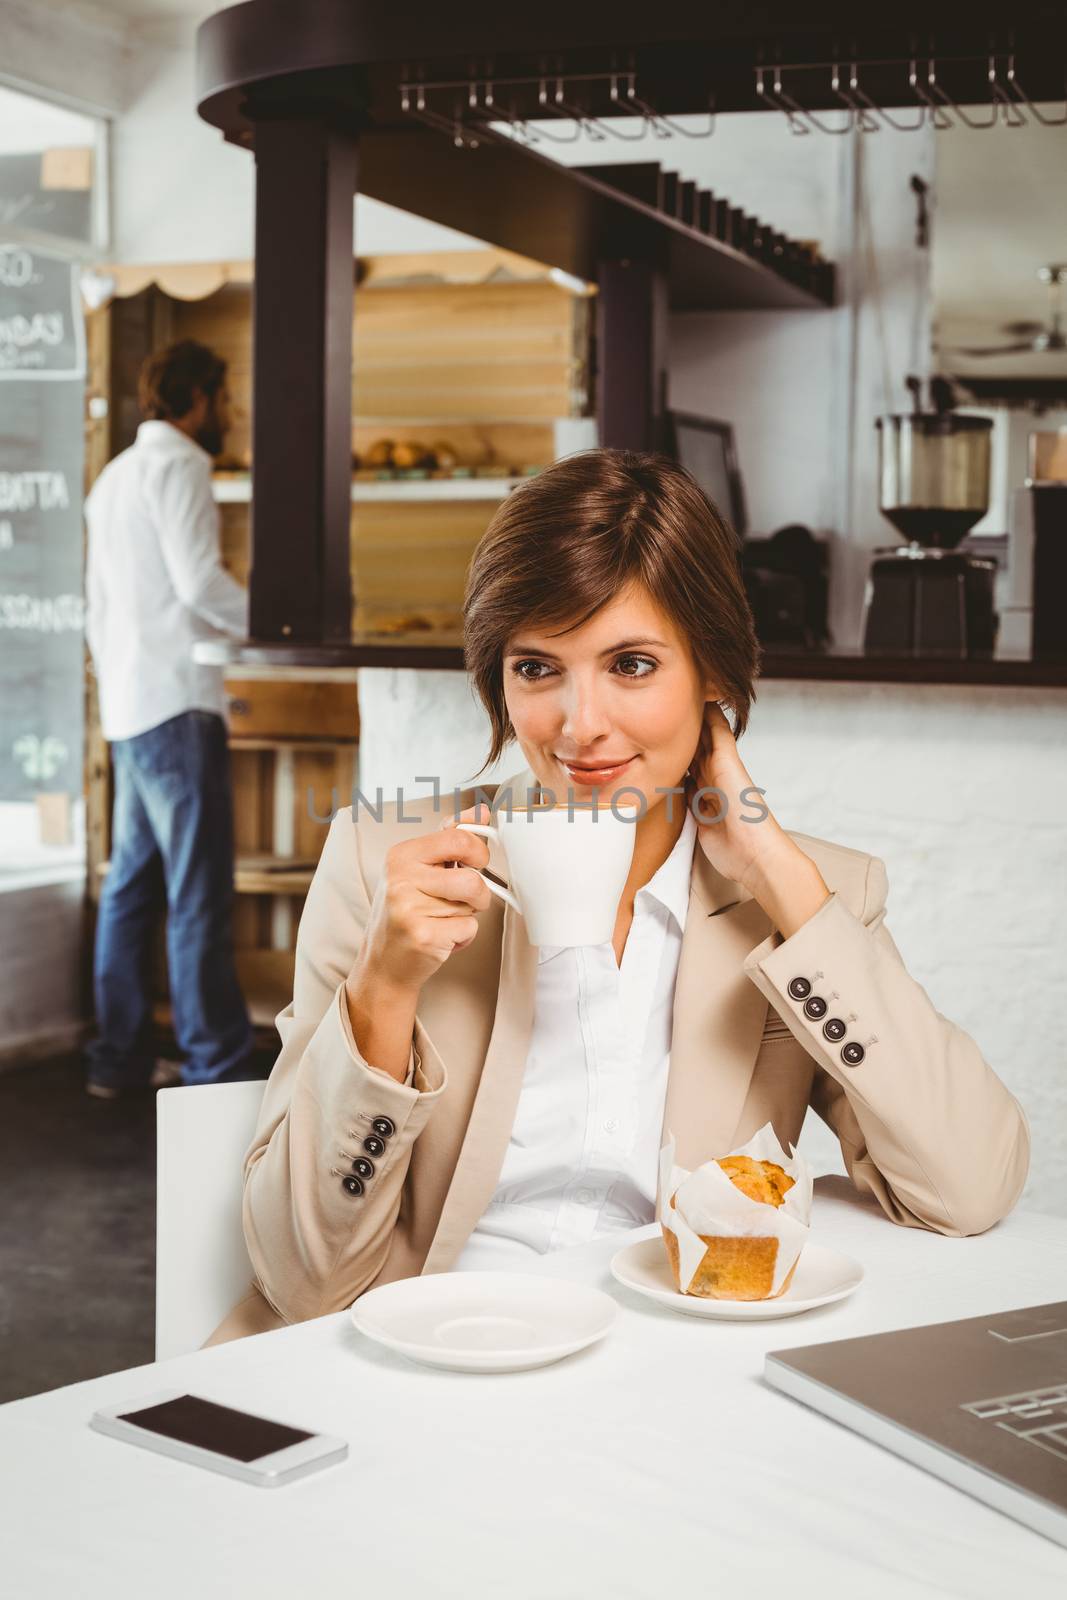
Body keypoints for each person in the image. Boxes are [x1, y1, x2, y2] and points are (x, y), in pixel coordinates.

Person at [208, 449, 1029, 1342]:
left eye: (631, 664)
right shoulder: (385, 866)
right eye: (536, 668)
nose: (578, 724)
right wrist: (383, 991)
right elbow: (301, 1282)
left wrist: (778, 875)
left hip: (670, 1365)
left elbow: (967, 1190)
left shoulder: (803, 897)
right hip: (426, 1354)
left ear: (712, 673)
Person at [84, 339, 257, 1096]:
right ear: (194, 398)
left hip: (127, 706)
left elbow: (96, 609)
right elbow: (199, 584)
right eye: (222, 397)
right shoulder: (182, 463)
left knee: (129, 890)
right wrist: (274, 628)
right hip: (180, 704)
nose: (228, 413)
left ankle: (116, 1061)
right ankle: (214, 1066)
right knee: (197, 896)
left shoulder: (114, 476)